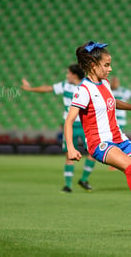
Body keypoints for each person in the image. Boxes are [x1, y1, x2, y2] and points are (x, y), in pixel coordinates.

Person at [64, 41, 131, 235]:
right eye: (106, 65)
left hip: (119, 138)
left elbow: (112, 102)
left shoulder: (104, 83)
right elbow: (69, 121)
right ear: (92, 65)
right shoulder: (83, 90)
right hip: (100, 143)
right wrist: (72, 148)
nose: (110, 69)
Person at [21, 64, 96, 193]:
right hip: (70, 125)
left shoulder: (88, 85)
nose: (67, 76)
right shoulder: (65, 85)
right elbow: (47, 88)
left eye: (68, 73)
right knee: (69, 155)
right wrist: (30, 89)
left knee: (93, 152)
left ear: (74, 75)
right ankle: (68, 186)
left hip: (86, 125)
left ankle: (83, 179)